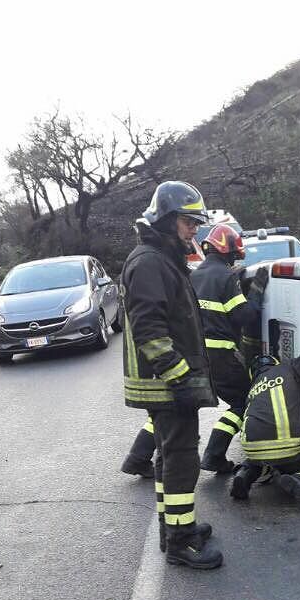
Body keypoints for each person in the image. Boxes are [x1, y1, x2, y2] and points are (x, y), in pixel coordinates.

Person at [121, 181, 223, 569]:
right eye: (186, 222)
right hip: (167, 384)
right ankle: (182, 542)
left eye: (195, 223)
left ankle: (173, 527)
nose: (193, 230)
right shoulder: (149, 261)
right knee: (181, 459)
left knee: (168, 455)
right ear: (165, 220)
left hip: (165, 383)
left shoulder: (160, 258)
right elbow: (149, 329)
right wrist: (179, 378)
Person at [190, 224, 269, 473]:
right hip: (221, 355)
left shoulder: (194, 275)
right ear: (230, 252)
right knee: (243, 402)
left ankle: (141, 455)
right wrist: (256, 291)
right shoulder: (226, 277)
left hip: (197, 355)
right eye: (235, 255)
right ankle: (214, 455)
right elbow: (243, 317)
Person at [230, 351, 300, 513]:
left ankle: (245, 475)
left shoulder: (254, 387)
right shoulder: (289, 369)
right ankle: (299, 479)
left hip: (252, 447)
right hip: (288, 444)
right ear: (274, 363)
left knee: (258, 463)